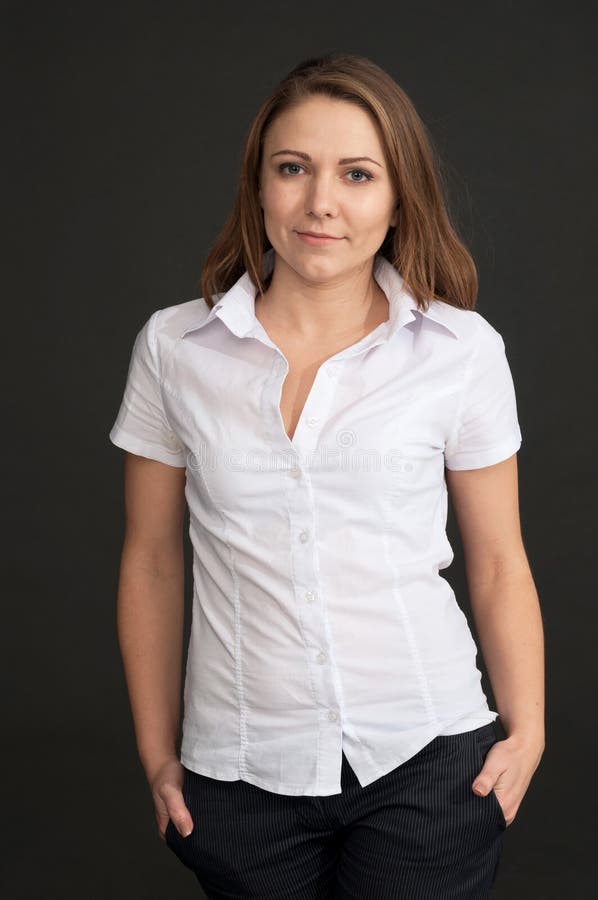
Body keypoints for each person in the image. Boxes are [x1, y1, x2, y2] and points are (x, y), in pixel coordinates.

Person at [109, 52, 545, 899]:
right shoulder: (173, 350)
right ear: (259, 186)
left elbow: (497, 561)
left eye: (356, 174)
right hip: (238, 777)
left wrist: (527, 731)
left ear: (396, 196)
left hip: (430, 760)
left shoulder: (461, 352)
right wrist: (159, 756)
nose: (321, 203)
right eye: (293, 169)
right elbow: (152, 561)